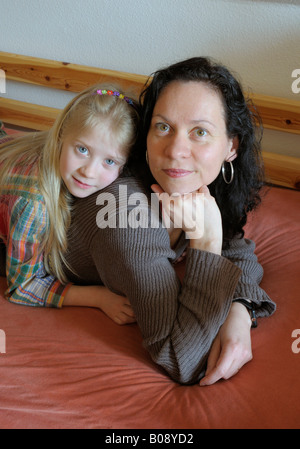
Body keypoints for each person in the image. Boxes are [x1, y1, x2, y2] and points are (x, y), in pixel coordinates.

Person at [63, 57, 276, 386]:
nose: (176, 150)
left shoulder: (201, 186)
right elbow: (182, 359)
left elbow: (238, 247)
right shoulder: (124, 213)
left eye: (200, 132)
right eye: (163, 126)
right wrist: (205, 241)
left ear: (230, 147)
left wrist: (240, 311)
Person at [0, 84, 139, 324]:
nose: (89, 171)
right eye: (82, 149)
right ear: (62, 135)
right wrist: (98, 297)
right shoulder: (34, 204)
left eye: (109, 161)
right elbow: (21, 287)